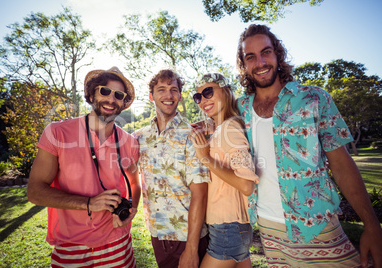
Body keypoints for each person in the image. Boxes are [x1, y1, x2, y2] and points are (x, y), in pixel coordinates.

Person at [236, 24, 382, 267]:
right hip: (268, 228)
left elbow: (342, 164)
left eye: (266, 52)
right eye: (250, 57)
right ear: (244, 64)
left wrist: (371, 224)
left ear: (278, 54)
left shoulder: (314, 98)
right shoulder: (238, 109)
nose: (260, 62)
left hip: (317, 226)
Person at [27, 66, 141, 267]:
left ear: (123, 103)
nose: (111, 99)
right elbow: (35, 192)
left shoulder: (130, 142)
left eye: (119, 95)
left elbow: (135, 184)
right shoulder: (57, 133)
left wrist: (131, 210)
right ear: (91, 94)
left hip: (119, 244)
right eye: (105, 91)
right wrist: (89, 203)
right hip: (72, 246)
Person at [132, 69, 210, 268]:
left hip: (188, 236)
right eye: (161, 90)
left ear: (180, 95)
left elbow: (200, 194)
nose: (168, 95)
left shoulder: (191, 136)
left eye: (174, 90)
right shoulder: (140, 137)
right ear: (151, 96)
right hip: (157, 234)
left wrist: (191, 249)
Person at [190, 73, 259, 268]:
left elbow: (246, 185)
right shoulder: (222, 128)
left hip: (229, 228)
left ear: (226, 90)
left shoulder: (230, 128)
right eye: (198, 97)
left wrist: (206, 159)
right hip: (232, 227)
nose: (203, 100)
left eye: (208, 92)